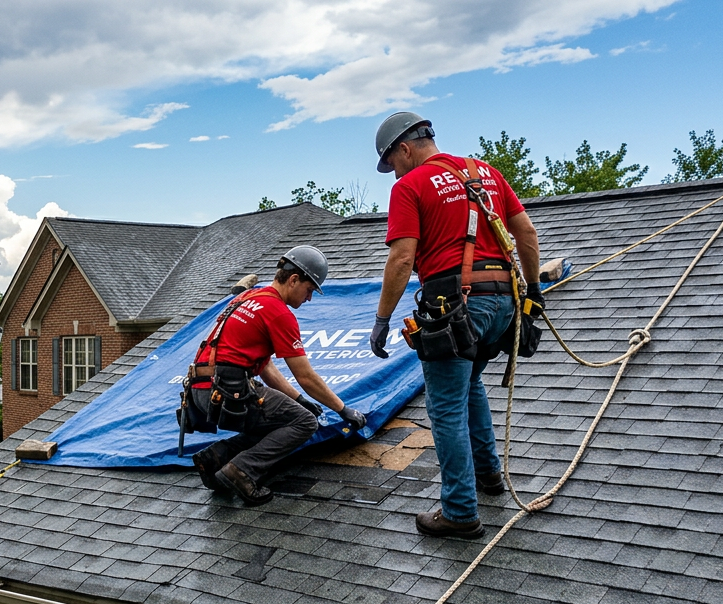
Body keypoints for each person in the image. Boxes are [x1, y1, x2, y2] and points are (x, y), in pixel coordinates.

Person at [368, 113, 542, 539]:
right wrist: (533, 292)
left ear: (404, 148)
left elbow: (403, 259)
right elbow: (527, 234)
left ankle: (460, 511)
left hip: (454, 306)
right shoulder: (484, 172)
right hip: (503, 305)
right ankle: (488, 477)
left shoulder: (409, 187)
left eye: (392, 162)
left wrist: (382, 319)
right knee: (470, 387)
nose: (395, 172)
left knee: (444, 406)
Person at [189, 246, 367, 506]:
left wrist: (297, 399)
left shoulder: (249, 298)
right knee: (305, 423)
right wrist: (343, 410)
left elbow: (266, 367)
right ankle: (242, 470)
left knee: (282, 418)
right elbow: (306, 376)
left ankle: (216, 457)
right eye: (309, 290)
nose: (309, 299)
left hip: (202, 392)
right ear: (294, 279)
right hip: (229, 392)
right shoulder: (278, 312)